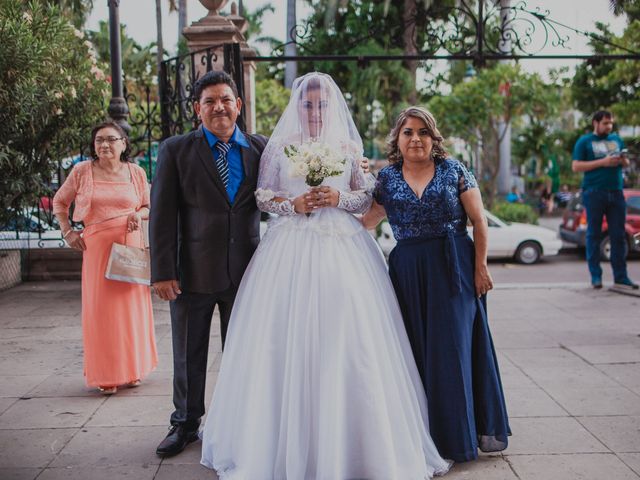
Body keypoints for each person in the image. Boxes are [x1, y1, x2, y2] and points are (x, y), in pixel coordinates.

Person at [200, 73, 451, 479]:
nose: (314, 112)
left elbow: (365, 195)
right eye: (307, 105)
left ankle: (356, 444)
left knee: (350, 339)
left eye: (321, 105)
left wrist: (338, 197)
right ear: (298, 107)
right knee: (282, 340)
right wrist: (293, 204)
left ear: (331, 107)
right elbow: (263, 194)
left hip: (343, 246)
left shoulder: (348, 147)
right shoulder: (280, 145)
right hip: (289, 247)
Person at [362, 106, 510, 462]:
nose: (416, 139)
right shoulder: (386, 179)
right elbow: (367, 221)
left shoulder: (454, 169)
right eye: (408, 132)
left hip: (454, 266)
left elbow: (479, 221)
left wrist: (481, 267)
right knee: (415, 351)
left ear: (433, 138)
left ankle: (457, 440)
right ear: (397, 139)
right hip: (407, 271)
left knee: (453, 351)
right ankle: (423, 439)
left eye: (423, 132)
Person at [150, 71, 269, 457]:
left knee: (244, 353)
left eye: (225, 99)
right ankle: (184, 424)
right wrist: (163, 272)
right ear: (197, 109)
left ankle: (242, 423)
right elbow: (162, 216)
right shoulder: (175, 150)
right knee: (189, 352)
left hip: (246, 273)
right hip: (192, 272)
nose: (219, 107)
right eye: (209, 101)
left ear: (239, 104)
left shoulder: (261, 149)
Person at [53, 121, 157, 395]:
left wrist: (138, 214)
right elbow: (59, 202)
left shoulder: (135, 172)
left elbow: (148, 204)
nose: (105, 145)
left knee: (131, 309)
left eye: (111, 139)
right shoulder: (82, 171)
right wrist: (67, 232)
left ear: (124, 143)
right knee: (103, 313)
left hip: (129, 245)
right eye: (99, 140)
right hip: (97, 248)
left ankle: (133, 369)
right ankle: (107, 374)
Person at [572, 110, 638, 290]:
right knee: (593, 234)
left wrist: (622, 161)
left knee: (618, 235)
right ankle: (596, 276)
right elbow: (576, 166)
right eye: (605, 123)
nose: (609, 126)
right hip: (594, 192)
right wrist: (603, 162)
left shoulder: (616, 139)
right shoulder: (584, 141)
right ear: (595, 123)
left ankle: (621, 277)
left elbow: (626, 163)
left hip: (616, 192)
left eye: (611, 123)